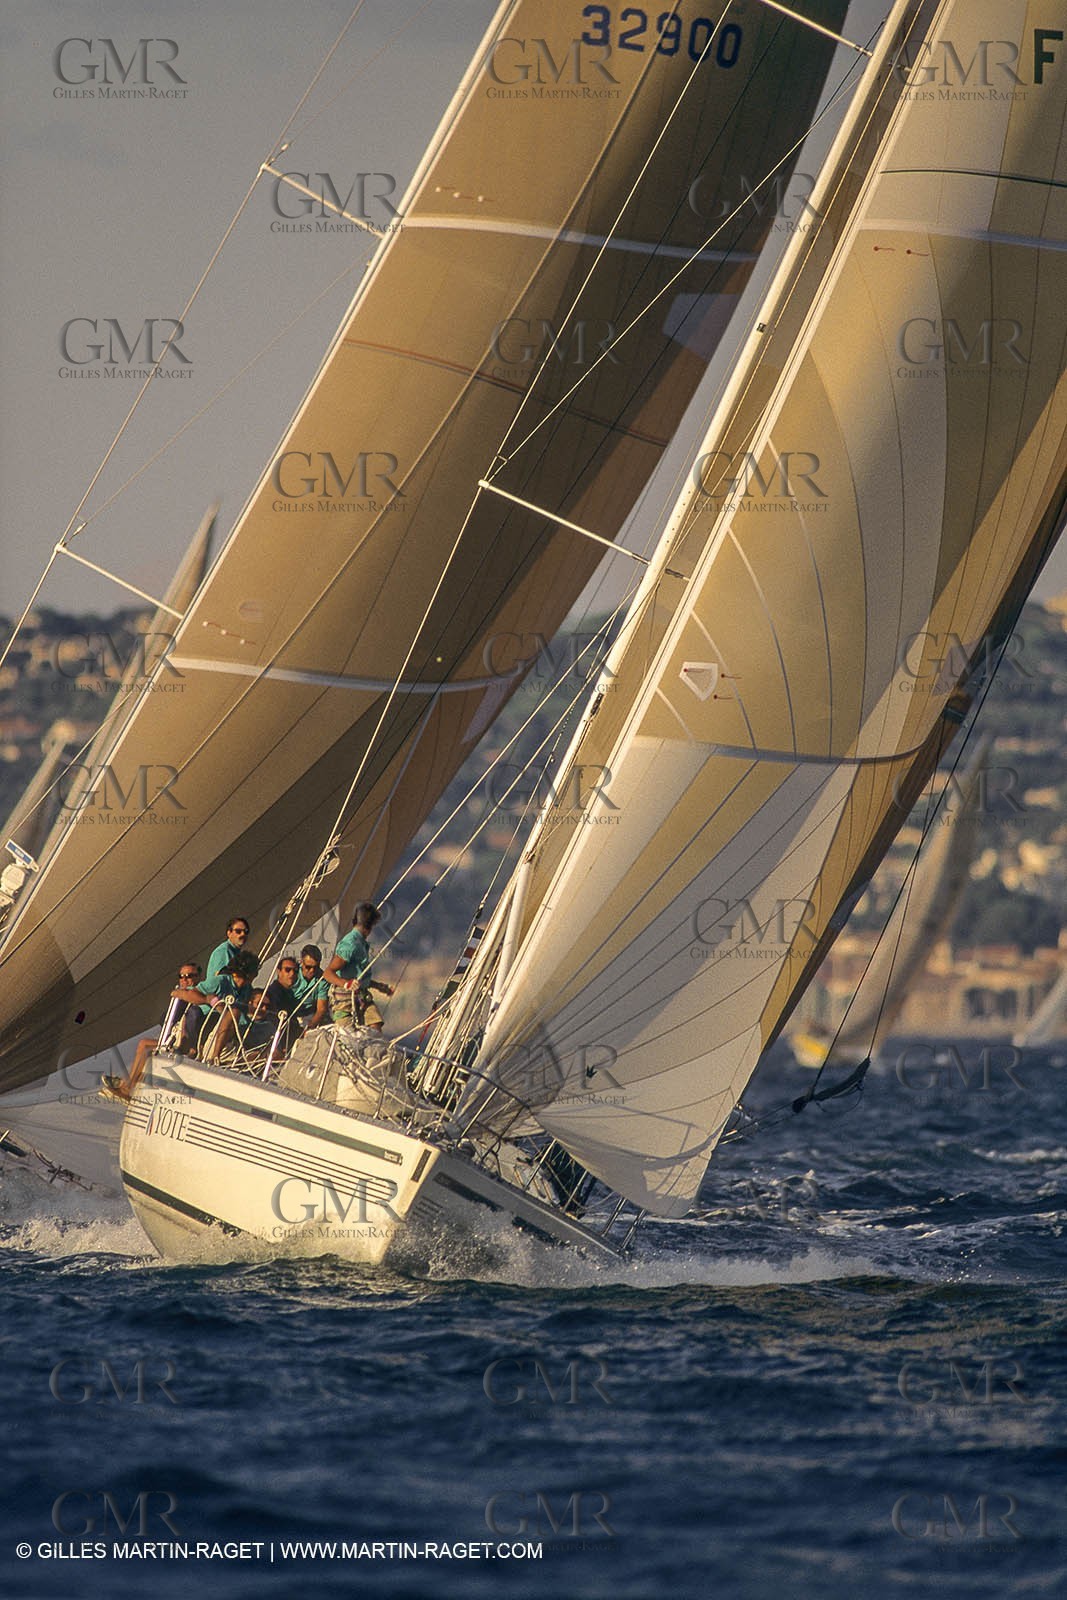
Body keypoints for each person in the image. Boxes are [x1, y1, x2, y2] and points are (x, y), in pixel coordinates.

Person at [103, 961, 203, 1100]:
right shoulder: (180, 998)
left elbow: (194, 1024)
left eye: (189, 976)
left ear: (199, 977)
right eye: (181, 976)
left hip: (188, 1046)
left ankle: (127, 1087)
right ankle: (130, 1086)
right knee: (147, 1048)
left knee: (144, 1044)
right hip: (174, 1041)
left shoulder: (198, 998)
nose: (184, 980)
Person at [324, 903, 394, 1031]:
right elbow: (328, 973)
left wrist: (379, 986)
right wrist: (346, 984)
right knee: (348, 1036)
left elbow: (358, 975)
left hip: (361, 995)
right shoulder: (350, 944)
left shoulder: (361, 943)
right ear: (369, 926)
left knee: (375, 1025)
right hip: (345, 1000)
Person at [184, 949, 260, 1062]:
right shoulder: (220, 981)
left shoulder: (247, 989)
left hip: (232, 1033)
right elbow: (193, 992)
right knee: (233, 1012)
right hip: (211, 1025)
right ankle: (215, 1056)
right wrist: (209, 1000)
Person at [205, 917, 253, 986]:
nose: (243, 934)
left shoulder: (237, 952)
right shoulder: (223, 951)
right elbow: (220, 978)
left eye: (246, 931)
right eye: (238, 931)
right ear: (229, 933)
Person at [293, 945, 331, 1032]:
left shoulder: (322, 979)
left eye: (315, 967)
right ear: (302, 962)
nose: (312, 971)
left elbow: (321, 1009)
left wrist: (309, 1028)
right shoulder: (292, 972)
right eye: (308, 967)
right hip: (290, 1013)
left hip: (310, 1016)